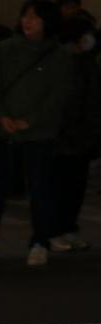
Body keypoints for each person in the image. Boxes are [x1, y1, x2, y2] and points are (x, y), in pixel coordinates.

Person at [0, 0, 73, 266]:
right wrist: (2, 115)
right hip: (4, 130)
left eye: (35, 17)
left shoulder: (59, 56)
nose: (28, 21)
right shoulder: (6, 49)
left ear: (48, 22)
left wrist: (30, 121)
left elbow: (58, 96)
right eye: (25, 15)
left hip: (39, 134)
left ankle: (40, 241)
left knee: (40, 188)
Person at [50, 14, 100, 252]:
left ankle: (69, 228)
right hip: (64, 135)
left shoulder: (87, 61)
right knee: (61, 185)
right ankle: (55, 231)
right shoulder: (64, 60)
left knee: (76, 185)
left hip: (83, 134)